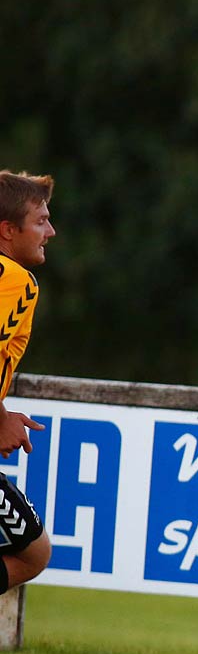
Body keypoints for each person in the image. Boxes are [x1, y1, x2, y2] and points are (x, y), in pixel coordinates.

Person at [0, 171, 58, 593]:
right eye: (40, 221)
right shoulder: (14, 279)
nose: (50, 231)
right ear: (7, 230)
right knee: (33, 553)